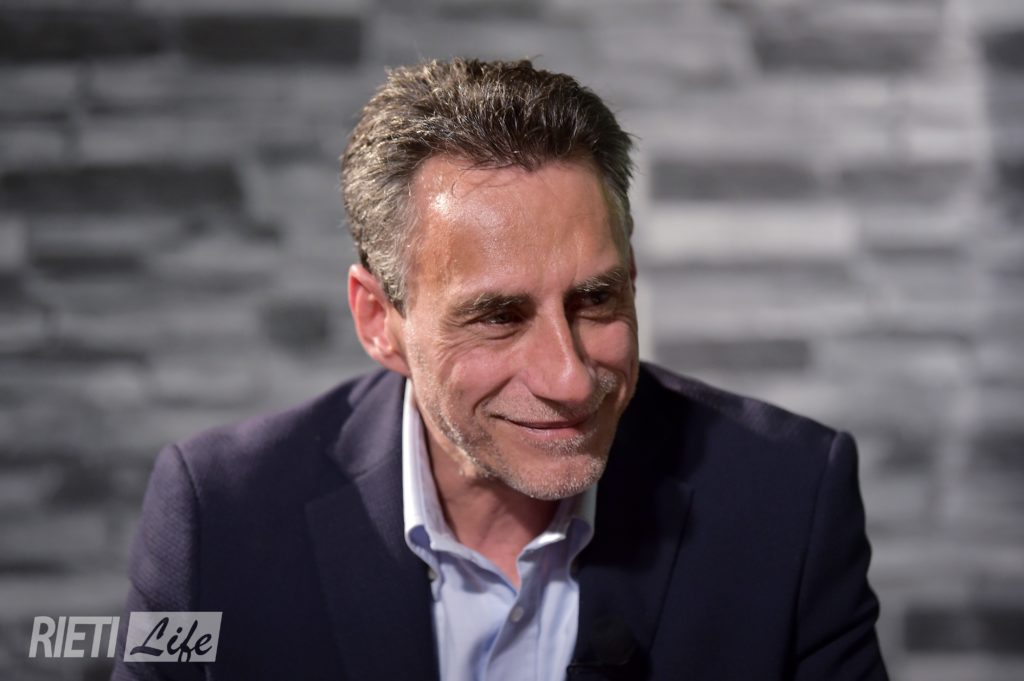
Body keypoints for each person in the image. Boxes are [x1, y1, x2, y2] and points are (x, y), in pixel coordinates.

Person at [113, 58, 889, 681]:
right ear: (379, 320)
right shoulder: (218, 517)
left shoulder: (790, 499)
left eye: (596, 299)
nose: (570, 378)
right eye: (498, 316)